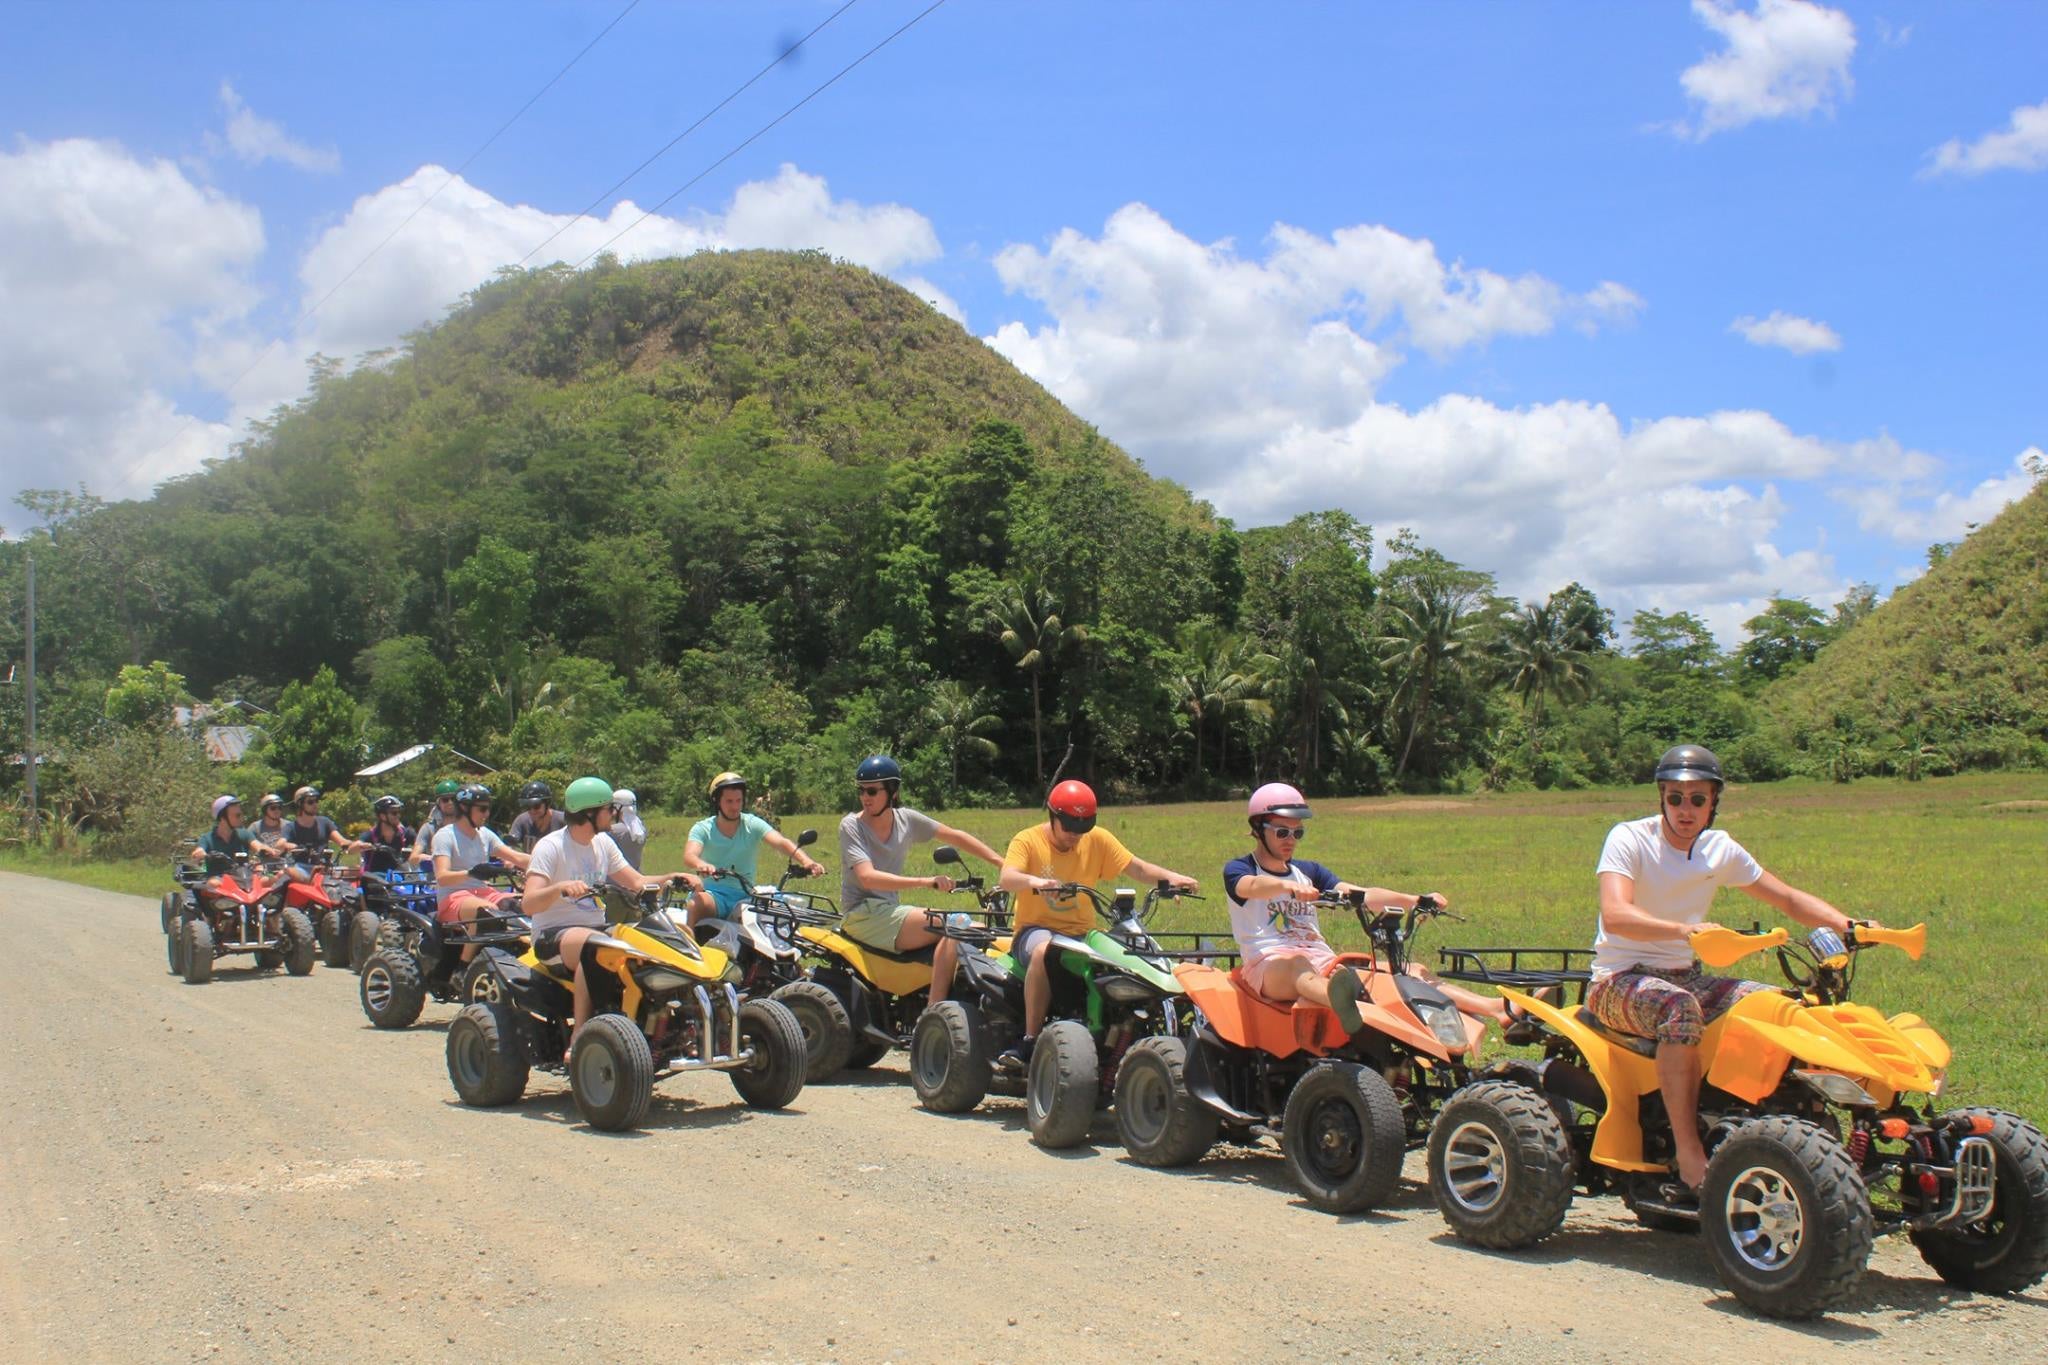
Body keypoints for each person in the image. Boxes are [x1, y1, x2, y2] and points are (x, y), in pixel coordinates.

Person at [1589, 744, 1872, 1192]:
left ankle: (1750, 1120)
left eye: (1697, 799)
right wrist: (1686, 932)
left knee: (1775, 1005)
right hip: (1618, 980)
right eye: (1676, 798)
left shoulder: (1719, 849)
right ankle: (1689, 1151)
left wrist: (1849, 925)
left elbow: (1787, 898)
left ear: (1713, 803)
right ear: (1661, 797)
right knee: (1679, 1010)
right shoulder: (1629, 838)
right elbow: (1615, 914)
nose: (1686, 809)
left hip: (1685, 975)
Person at [1223, 782, 1515, 1032]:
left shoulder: (1307, 871)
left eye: (1297, 833)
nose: (1291, 841)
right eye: (1282, 832)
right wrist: (1285, 887)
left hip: (1321, 962)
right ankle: (1348, 1006)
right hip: (1268, 967)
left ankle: (1496, 1009)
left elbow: (1362, 893)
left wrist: (1414, 899)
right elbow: (1248, 887)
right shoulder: (1241, 868)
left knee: (1410, 970)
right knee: (1297, 965)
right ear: (1258, 828)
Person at [996, 779, 1199, 1071]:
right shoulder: (1027, 840)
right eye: (1068, 828)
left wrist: (1171, 880)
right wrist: (1036, 882)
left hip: (1082, 932)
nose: (1075, 836)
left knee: (1124, 955)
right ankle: (1029, 1038)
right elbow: (1007, 877)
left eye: (1082, 829)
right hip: (1035, 930)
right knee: (1044, 951)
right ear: (1052, 817)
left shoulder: (1098, 840)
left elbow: (1136, 867)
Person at [524, 776, 694, 1047]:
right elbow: (529, 903)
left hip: (596, 929)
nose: (613, 815)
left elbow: (636, 882)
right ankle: (581, 1038)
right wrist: (560, 888)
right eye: (608, 809)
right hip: (552, 935)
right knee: (594, 947)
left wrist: (673, 876)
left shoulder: (603, 844)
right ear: (589, 813)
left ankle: (662, 1022)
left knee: (660, 938)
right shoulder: (551, 846)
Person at [836, 755, 1004, 1010]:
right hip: (862, 914)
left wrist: (1003, 864)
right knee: (958, 925)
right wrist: (926, 882)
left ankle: (952, 1000)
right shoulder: (852, 826)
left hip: (889, 912)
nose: (864, 797)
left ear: (892, 791)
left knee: (975, 928)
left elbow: (955, 836)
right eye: (861, 790)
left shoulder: (907, 820)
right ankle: (933, 1014)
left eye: (871, 790)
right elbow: (867, 877)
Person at [683, 772, 825, 927]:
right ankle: (690, 948)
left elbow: (780, 842)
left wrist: (807, 861)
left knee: (785, 918)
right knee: (695, 904)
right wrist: (701, 864)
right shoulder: (702, 828)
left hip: (746, 896)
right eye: (729, 801)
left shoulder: (751, 824)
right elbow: (690, 855)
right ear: (716, 801)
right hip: (714, 895)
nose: (735, 806)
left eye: (739, 800)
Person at [430, 783, 534, 959]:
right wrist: (472, 873)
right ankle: (464, 967)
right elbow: (442, 877)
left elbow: (516, 857)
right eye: (482, 809)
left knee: (524, 905)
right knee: (486, 911)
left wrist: (549, 863)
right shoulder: (445, 836)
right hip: (453, 898)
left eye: (488, 809)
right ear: (464, 808)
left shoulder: (485, 834)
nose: (487, 814)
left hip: (484, 893)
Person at [279, 786, 369, 881]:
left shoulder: (325, 822)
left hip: (325, 868)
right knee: (288, 871)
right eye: (310, 802)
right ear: (300, 804)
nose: (315, 804)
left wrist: (357, 844)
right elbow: (280, 844)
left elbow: (342, 841)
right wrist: (290, 845)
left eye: (316, 801)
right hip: (301, 869)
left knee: (360, 871)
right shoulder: (291, 827)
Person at [190, 794, 285, 864]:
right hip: (218, 882)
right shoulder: (207, 838)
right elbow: (199, 851)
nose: (242, 818)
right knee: (213, 883)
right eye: (237, 815)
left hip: (243, 879)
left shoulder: (244, 834)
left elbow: (257, 846)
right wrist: (199, 854)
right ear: (223, 818)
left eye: (241, 814)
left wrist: (267, 850)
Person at [412, 778, 463, 866]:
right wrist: (430, 858)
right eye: (445, 800)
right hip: (436, 877)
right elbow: (413, 858)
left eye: (453, 799)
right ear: (439, 803)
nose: (450, 802)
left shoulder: (466, 826)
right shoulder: (429, 828)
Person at [361, 795, 415, 874]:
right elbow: (352, 848)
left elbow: (421, 845)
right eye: (394, 813)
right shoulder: (369, 836)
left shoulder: (406, 834)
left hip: (400, 881)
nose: (398, 815)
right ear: (382, 816)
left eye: (399, 812)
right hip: (375, 881)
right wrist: (360, 846)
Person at [507, 780, 565, 853]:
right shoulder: (521, 820)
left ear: (547, 804)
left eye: (536, 806)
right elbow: (511, 847)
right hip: (528, 863)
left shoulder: (564, 821)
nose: (532, 811)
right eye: (527, 806)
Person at [608, 788, 648, 870]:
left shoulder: (615, 830)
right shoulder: (641, 829)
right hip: (636, 874)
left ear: (618, 807)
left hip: (615, 879)